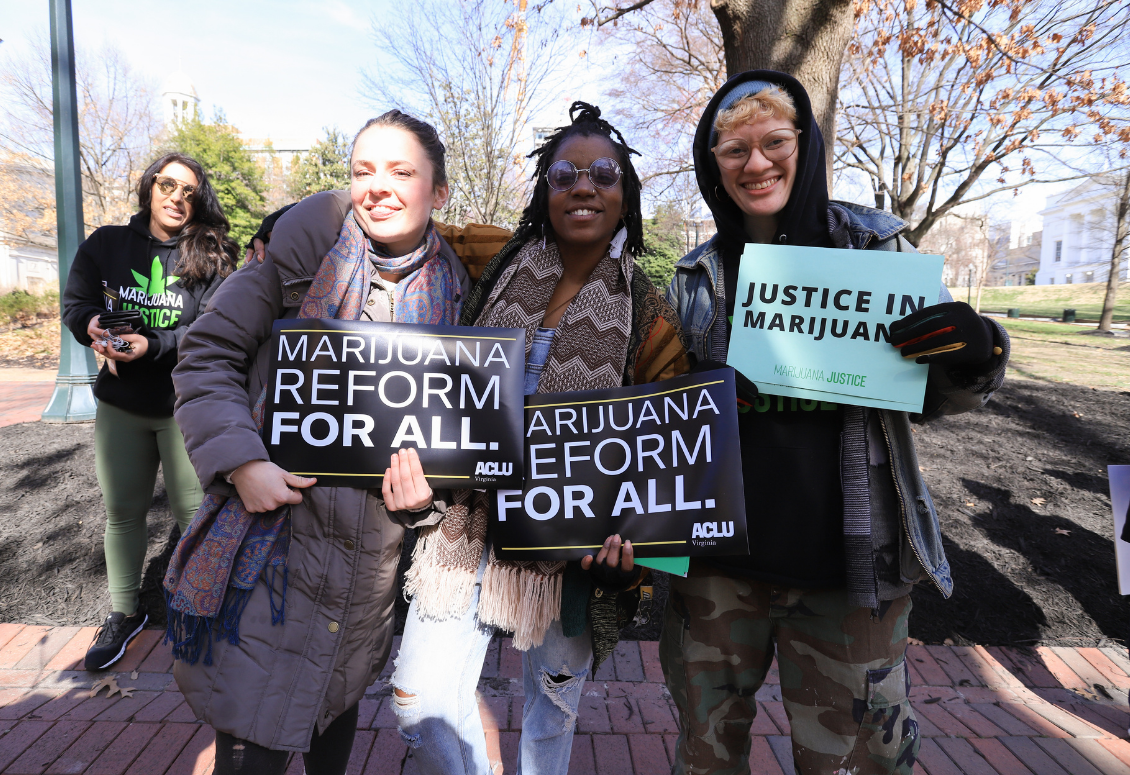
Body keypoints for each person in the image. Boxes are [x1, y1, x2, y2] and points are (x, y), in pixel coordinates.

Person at [662, 71, 1010, 775]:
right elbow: (661, 417)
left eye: (774, 143)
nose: (755, 164)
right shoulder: (694, 277)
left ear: (807, 145)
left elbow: (941, 394)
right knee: (704, 757)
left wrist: (978, 350)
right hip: (715, 577)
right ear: (713, 164)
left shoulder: (877, 253)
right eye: (732, 150)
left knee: (864, 764)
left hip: (849, 576)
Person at [165, 110, 510, 775]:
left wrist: (425, 502)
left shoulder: (465, 302)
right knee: (251, 748)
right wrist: (242, 463)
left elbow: (460, 449)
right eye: (362, 170)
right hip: (271, 562)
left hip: (366, 582)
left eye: (401, 171)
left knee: (332, 733)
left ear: (438, 191)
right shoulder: (294, 261)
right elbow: (205, 356)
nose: (378, 186)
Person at [388, 101, 689, 775]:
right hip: (464, 526)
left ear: (625, 195)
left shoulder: (650, 313)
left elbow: (666, 449)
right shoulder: (495, 259)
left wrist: (634, 554)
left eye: (603, 174)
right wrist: (295, 227)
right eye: (565, 175)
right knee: (417, 702)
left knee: (550, 719)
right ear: (544, 192)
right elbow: (408, 224)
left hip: (571, 554)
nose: (583, 185)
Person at [62, 153, 236, 671]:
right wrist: (93, 325)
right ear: (149, 186)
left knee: (193, 514)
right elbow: (75, 304)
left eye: (188, 190)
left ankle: (198, 610)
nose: (176, 197)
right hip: (122, 405)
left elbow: (215, 329)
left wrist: (153, 345)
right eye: (167, 184)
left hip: (184, 406)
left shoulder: (213, 253)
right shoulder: (107, 245)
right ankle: (123, 612)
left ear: (198, 199)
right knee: (123, 512)